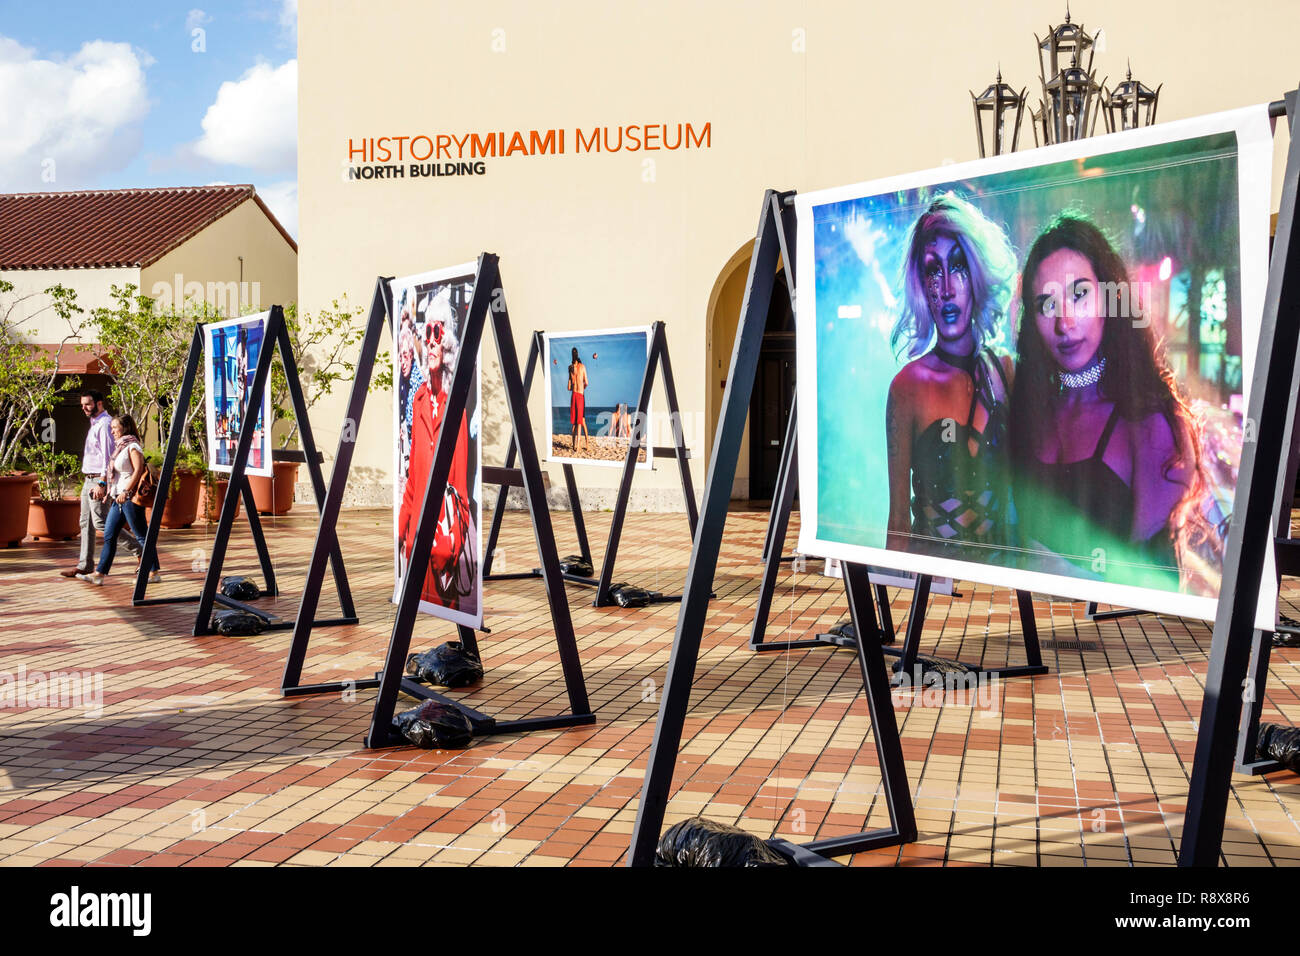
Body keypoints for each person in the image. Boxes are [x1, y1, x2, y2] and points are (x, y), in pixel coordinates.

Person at [1009, 211, 1222, 592]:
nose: (1065, 322)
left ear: (1110, 297)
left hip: (1110, 638)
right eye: (1046, 303)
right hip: (1025, 627)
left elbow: (1151, 587)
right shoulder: (1027, 410)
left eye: (1079, 294)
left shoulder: (1150, 422)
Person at [884, 193, 1019, 558]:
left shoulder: (1006, 371)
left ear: (977, 273)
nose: (946, 287)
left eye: (958, 265)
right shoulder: (908, 387)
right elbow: (898, 520)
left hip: (1000, 583)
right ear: (920, 283)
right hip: (934, 584)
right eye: (932, 269)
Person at [396, 291, 474, 611]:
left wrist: (448, 548)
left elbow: (461, 496)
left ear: (448, 343)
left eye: (436, 332)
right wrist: (402, 530)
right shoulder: (417, 401)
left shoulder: (455, 410)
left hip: (441, 548)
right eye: (426, 332)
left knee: (444, 610)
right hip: (416, 544)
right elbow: (414, 478)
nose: (429, 341)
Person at [61, 390, 142, 578]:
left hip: (97, 479)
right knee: (85, 522)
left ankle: (140, 550)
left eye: (87, 404)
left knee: (101, 522)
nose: (84, 408)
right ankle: (85, 564)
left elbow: (108, 457)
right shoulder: (95, 423)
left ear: (99, 404)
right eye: (82, 405)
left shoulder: (105, 424)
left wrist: (101, 483)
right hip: (88, 478)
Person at [80, 414, 159, 585]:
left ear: (125, 427)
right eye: (112, 428)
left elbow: (138, 471)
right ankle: (99, 574)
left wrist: (126, 491)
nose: (112, 431)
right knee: (109, 534)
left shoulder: (133, 446)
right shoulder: (119, 447)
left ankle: (154, 572)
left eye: (115, 427)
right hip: (118, 497)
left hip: (129, 498)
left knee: (141, 536)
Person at [567, 347, 589, 452]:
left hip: (573, 395)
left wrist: (573, 383)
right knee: (579, 422)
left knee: (574, 422)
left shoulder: (570, 367)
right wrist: (582, 388)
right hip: (580, 394)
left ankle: (573, 445)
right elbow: (587, 382)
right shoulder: (582, 367)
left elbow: (568, 387)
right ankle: (578, 445)